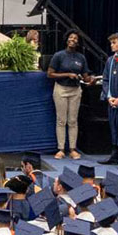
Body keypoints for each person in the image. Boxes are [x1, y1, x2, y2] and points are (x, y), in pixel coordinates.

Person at [43, 31, 90, 160]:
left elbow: (85, 76)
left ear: (78, 42)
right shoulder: (59, 56)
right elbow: (50, 74)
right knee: (61, 120)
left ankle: (73, 149)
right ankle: (61, 149)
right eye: (71, 37)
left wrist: (91, 79)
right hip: (61, 89)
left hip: (75, 91)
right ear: (66, 40)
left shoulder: (81, 58)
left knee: (73, 120)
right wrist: (67, 75)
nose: (73, 39)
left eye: (75, 38)